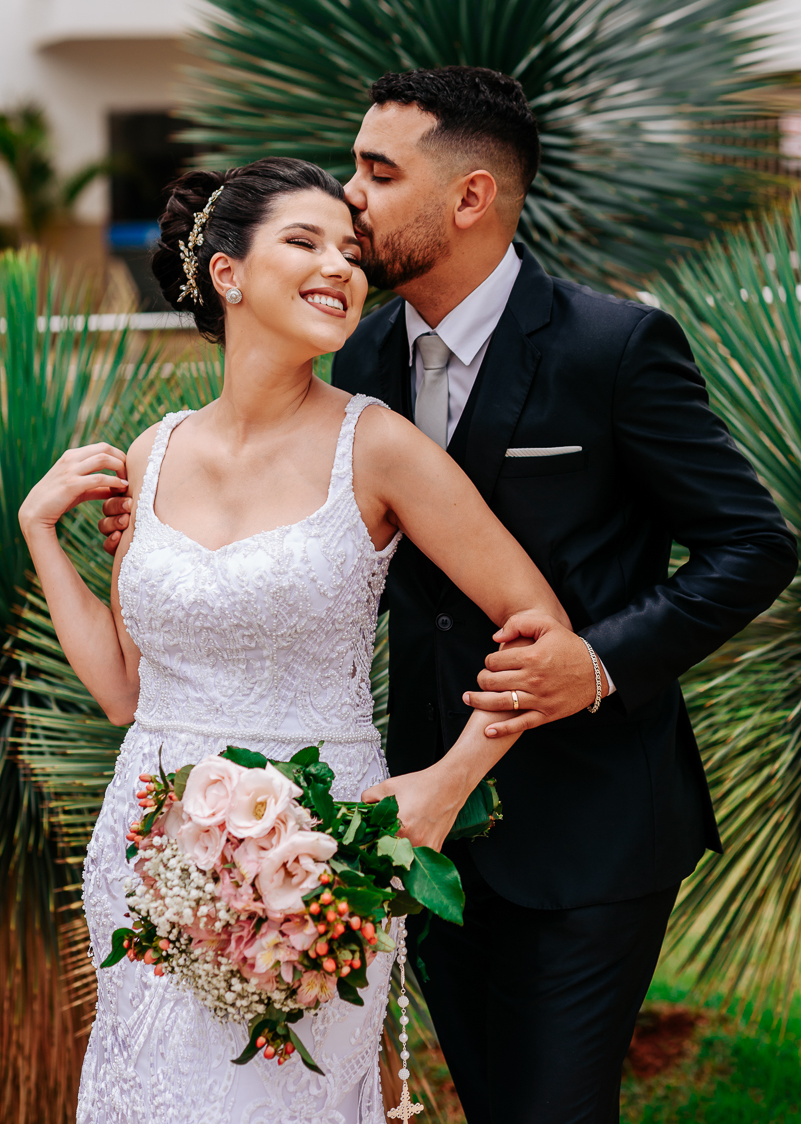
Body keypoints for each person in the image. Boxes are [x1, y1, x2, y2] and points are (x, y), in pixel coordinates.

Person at [97, 70, 797, 1123]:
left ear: (470, 198)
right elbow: (339, 560)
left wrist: (598, 661)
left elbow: (755, 545)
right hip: (397, 821)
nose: (352, 199)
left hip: (588, 818)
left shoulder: (611, 349)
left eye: (378, 172)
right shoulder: (356, 352)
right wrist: (178, 557)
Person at [20, 156, 568, 1124]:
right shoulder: (153, 453)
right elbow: (121, 690)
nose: (342, 268)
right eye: (305, 243)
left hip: (316, 874)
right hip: (148, 865)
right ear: (227, 274)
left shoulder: (381, 446)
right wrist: (39, 535)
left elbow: (540, 628)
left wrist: (443, 790)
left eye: (350, 251)